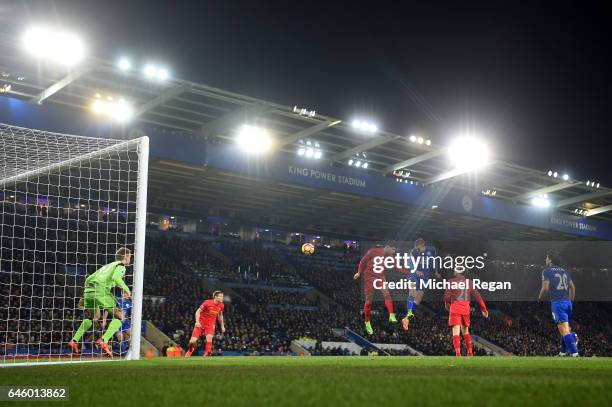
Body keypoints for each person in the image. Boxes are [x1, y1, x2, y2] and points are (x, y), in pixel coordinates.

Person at [68, 247, 132, 357]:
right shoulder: (120, 266)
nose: (130, 259)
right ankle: (104, 340)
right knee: (121, 315)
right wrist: (127, 289)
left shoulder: (106, 266)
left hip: (89, 291)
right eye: (130, 256)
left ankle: (74, 340)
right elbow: (116, 278)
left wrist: (84, 297)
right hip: (100, 291)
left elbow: (88, 279)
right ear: (125, 257)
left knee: (95, 317)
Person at [353, 244, 408, 335]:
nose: (394, 252)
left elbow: (398, 268)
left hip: (380, 277)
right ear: (388, 247)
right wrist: (359, 272)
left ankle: (391, 314)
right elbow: (363, 260)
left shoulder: (390, 257)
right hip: (369, 277)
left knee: (387, 293)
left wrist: (411, 271)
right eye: (393, 250)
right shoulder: (373, 251)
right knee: (368, 300)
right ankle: (367, 322)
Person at [539, 250, 578, 357]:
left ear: (550, 260)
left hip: (558, 303)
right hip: (567, 303)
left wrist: (539, 298)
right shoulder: (564, 271)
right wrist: (571, 301)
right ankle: (562, 352)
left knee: (565, 330)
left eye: (546, 258)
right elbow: (572, 287)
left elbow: (545, 288)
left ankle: (575, 353)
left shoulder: (546, 271)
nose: (545, 259)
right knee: (562, 328)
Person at [444, 268, 488, 357]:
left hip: (455, 308)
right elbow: (478, 296)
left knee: (456, 332)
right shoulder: (470, 282)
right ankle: (470, 352)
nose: (454, 270)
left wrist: (446, 304)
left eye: (456, 269)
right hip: (465, 310)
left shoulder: (451, 281)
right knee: (466, 332)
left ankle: (458, 353)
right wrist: (484, 309)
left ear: (458, 271)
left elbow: (447, 296)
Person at [402, 238, 440, 330]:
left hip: (425, 277)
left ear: (423, 245)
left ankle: (407, 318)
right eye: (416, 248)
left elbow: (436, 260)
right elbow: (408, 263)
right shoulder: (414, 251)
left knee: (418, 300)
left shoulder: (431, 249)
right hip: (414, 274)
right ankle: (409, 313)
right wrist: (415, 271)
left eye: (418, 248)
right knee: (412, 293)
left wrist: (436, 271)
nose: (416, 250)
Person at [185, 291, 225, 357]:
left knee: (209, 337)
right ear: (215, 297)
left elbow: (220, 315)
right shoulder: (207, 302)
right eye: (220, 296)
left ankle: (207, 353)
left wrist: (222, 326)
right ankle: (190, 350)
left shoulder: (221, 305)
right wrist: (197, 322)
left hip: (210, 325)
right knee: (192, 341)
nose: (222, 298)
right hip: (200, 324)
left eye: (222, 296)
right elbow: (198, 311)